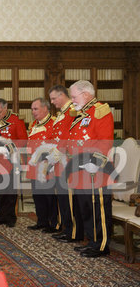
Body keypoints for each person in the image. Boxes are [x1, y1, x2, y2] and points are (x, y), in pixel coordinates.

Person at [66, 80, 114, 258]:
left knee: (97, 207)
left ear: (85, 94)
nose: (72, 100)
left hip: (95, 168)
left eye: (74, 96)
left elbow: (105, 140)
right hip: (80, 168)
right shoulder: (81, 113)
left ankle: (101, 246)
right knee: (86, 207)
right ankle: (92, 241)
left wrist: (96, 163)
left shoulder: (100, 111)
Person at [47, 85, 83, 243]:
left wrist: (54, 155)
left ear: (62, 95)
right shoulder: (62, 113)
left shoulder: (71, 112)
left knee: (68, 199)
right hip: (59, 162)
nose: (53, 102)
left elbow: (68, 137)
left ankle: (73, 232)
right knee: (62, 198)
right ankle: (66, 228)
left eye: (54, 98)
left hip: (67, 161)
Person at [0, 98, 28, 227]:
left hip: (12, 160)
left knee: (11, 190)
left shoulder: (16, 120)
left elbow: (23, 140)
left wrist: (7, 148)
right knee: (0, 189)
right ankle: (2, 216)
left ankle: (11, 218)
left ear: (5, 108)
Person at [25, 98, 57, 232]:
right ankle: (42, 221)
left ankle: (53, 223)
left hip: (47, 166)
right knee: (38, 196)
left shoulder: (54, 123)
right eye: (32, 109)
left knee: (49, 196)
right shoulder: (33, 125)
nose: (33, 112)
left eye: (35, 109)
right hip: (34, 166)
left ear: (45, 108)